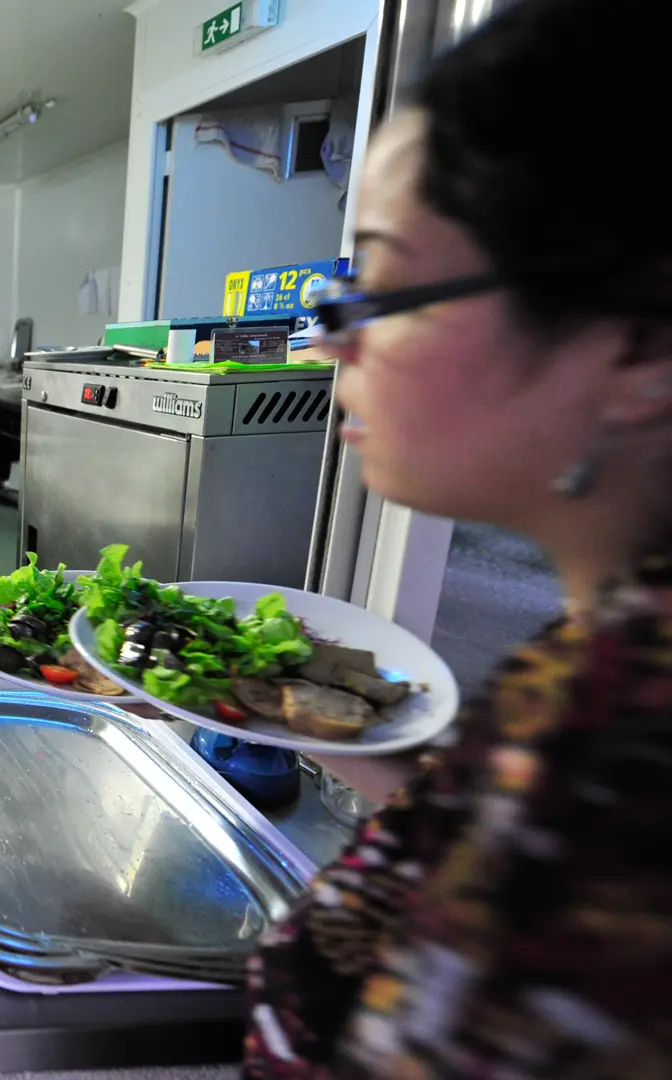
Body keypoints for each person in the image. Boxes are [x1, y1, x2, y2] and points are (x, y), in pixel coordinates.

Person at [246, 1, 672, 1075]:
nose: (331, 339)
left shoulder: (618, 759)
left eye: (384, 287)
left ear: (637, 345)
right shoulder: (596, 656)